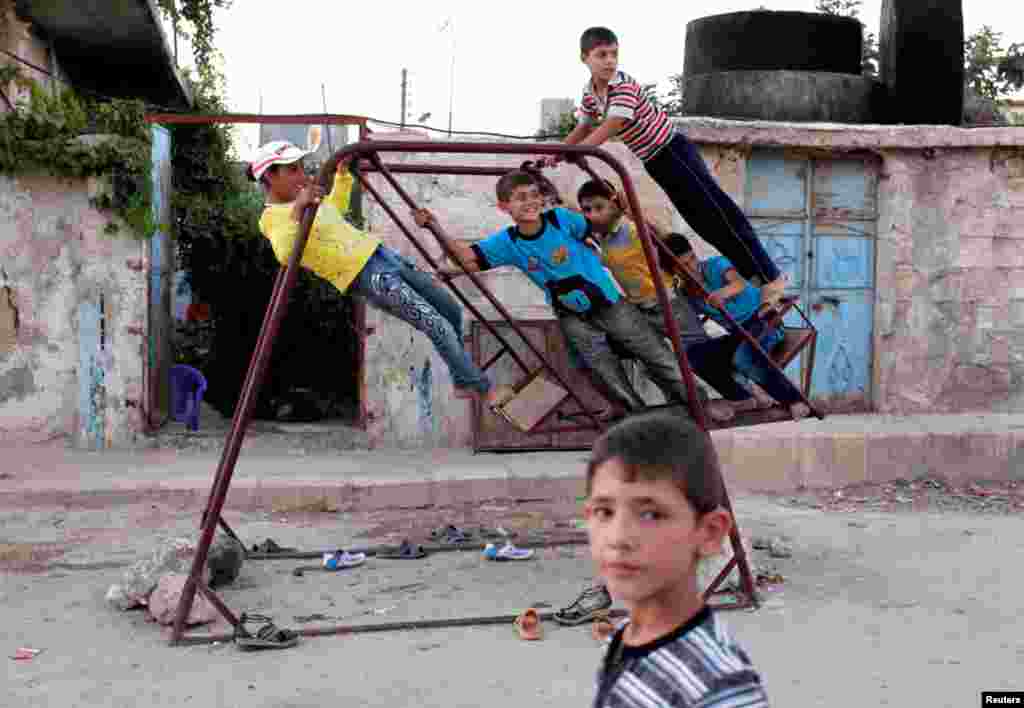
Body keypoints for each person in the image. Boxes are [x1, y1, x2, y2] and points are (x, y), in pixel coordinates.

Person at [412, 169, 723, 420]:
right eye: (520, 198)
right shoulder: (508, 242)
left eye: (533, 195)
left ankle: (700, 404)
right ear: (504, 207)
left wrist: (613, 205)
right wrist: (434, 227)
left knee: (654, 353)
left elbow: (596, 226)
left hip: (610, 304)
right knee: (601, 367)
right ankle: (635, 416)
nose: (530, 202)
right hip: (571, 314)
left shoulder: (560, 219)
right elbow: (465, 258)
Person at [247, 141, 509, 410]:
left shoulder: (309, 201)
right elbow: (286, 253)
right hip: (367, 276)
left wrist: (342, 175)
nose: (302, 175)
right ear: (270, 176)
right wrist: (297, 210)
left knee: (450, 309)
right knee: (435, 323)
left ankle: (462, 377)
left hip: (383, 256)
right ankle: (484, 389)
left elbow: (335, 210)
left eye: (301, 167)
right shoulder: (272, 218)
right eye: (292, 169)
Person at [539, 26, 786, 307]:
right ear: (585, 58)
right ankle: (753, 274)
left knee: (719, 214)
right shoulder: (590, 92)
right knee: (702, 223)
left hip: (673, 151)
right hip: (655, 162)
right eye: (602, 55)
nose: (610, 61)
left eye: (614, 54)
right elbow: (584, 126)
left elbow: (613, 124)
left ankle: (771, 276)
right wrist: (556, 154)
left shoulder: (623, 85)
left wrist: (580, 151)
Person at [585, 412, 770, 707]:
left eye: (650, 515)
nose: (618, 537)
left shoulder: (719, 684)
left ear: (709, 533)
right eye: (604, 512)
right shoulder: (623, 639)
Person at [673, 234, 811, 421]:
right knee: (694, 355)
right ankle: (743, 397)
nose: (691, 268)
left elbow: (739, 283)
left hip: (763, 321)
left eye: (692, 259)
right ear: (675, 269)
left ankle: (795, 400)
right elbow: (689, 320)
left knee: (742, 357)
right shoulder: (685, 292)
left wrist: (723, 293)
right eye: (683, 265)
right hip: (739, 334)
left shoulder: (715, 265)